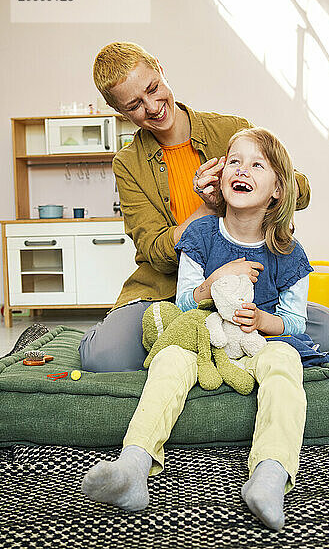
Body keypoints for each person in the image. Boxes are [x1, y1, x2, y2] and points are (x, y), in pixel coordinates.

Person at [81, 127, 314, 532]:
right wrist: (215, 280)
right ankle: (133, 466)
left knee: (286, 359)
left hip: (256, 341)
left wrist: (264, 321)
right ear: (221, 178)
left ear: (278, 189)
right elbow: (185, 302)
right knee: (170, 357)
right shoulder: (201, 235)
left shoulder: (289, 252)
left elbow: (294, 322)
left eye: (257, 165)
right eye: (234, 162)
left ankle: (270, 476)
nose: (242, 169)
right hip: (205, 335)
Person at [78, 41, 329, 373]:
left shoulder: (231, 131)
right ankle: (99, 335)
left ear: (160, 68)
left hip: (245, 293)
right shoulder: (128, 164)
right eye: (135, 105)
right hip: (165, 293)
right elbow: (156, 251)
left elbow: (299, 190)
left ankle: (199, 343)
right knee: (101, 358)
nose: (153, 106)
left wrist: (258, 187)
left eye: (153, 88)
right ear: (120, 111)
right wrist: (207, 210)